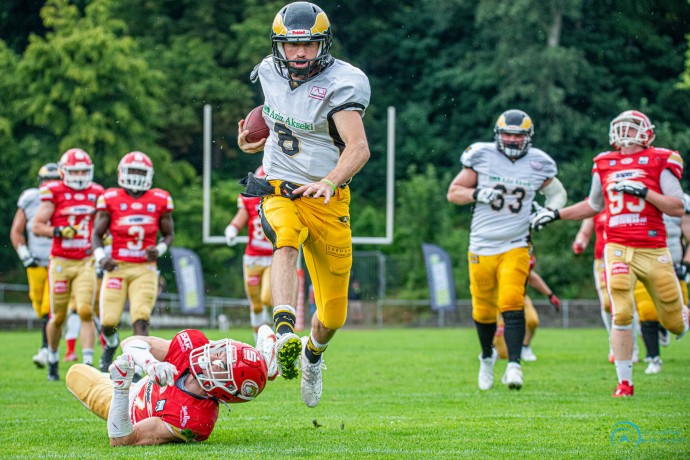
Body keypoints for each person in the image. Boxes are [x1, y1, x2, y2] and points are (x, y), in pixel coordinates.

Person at [236, 1, 371, 408]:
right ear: (278, 45)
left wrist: (330, 181)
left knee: (333, 315)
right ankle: (282, 333)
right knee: (286, 238)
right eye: (291, 46)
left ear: (323, 44)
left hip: (328, 197)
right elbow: (272, 121)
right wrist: (249, 140)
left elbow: (359, 147)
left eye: (309, 45)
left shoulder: (343, 82)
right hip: (280, 186)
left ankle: (312, 355)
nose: (299, 54)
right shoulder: (267, 71)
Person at [531, 110, 689, 397]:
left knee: (673, 322)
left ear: (647, 134)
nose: (626, 135)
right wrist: (555, 214)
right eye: (622, 129)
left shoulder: (660, 159)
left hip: (653, 247)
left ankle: (682, 315)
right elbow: (593, 205)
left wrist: (644, 193)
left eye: (632, 129)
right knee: (621, 309)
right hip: (617, 246)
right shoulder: (604, 163)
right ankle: (624, 383)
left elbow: (677, 207)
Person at [447, 109, 567, 391]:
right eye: (508, 134)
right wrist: (477, 193)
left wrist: (550, 211)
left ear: (528, 137)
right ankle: (487, 357)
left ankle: (514, 365)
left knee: (513, 301)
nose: (512, 140)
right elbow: (454, 192)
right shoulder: (482, 155)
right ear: (498, 135)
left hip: (516, 242)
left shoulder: (539, 162)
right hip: (481, 243)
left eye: (518, 135)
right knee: (484, 309)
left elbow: (557, 193)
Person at [65, 327, 275, 446]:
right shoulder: (194, 344)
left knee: (76, 375)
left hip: (126, 409)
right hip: (142, 383)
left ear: (224, 387)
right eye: (220, 349)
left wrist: (121, 388)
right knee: (76, 371)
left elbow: (122, 440)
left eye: (220, 363)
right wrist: (150, 363)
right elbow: (130, 342)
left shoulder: (196, 419)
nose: (211, 354)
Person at [91, 151, 175, 373]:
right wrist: (101, 258)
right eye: (133, 171)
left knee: (141, 316)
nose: (136, 176)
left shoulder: (159, 199)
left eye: (141, 171)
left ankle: (139, 367)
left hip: (144, 269)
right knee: (108, 321)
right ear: (122, 173)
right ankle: (110, 344)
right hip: (117, 267)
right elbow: (96, 235)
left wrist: (158, 249)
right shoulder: (110, 198)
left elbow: (169, 234)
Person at [32, 149, 103, 380]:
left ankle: (89, 364)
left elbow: (103, 225)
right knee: (58, 316)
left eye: (84, 170)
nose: (81, 175)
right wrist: (59, 231)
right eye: (76, 171)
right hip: (61, 261)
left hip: (85, 260)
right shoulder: (54, 192)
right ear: (65, 172)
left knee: (85, 310)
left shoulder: (96, 193)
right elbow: (37, 226)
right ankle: (52, 357)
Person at [10, 162, 62, 368]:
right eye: (47, 180)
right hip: (35, 261)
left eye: (55, 181)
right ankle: (49, 343)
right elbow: (16, 230)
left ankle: (46, 350)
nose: (50, 185)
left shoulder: (66, 200)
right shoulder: (30, 198)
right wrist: (24, 255)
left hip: (57, 261)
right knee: (38, 304)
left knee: (50, 307)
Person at [572, 211, 640, 364]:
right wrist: (580, 243)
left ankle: (632, 348)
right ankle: (615, 344)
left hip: (626, 257)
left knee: (627, 302)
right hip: (602, 261)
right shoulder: (595, 204)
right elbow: (584, 232)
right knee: (607, 303)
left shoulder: (625, 200)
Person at [224, 165, 274, 344]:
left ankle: (270, 330)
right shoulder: (249, 201)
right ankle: (258, 343)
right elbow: (241, 217)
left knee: (267, 299)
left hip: (273, 258)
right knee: (256, 303)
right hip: (253, 258)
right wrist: (232, 229)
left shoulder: (279, 203)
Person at [494, 256, 561, 362]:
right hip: (499, 297)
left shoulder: (524, 250)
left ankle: (525, 347)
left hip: (520, 296)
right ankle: (490, 348)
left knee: (532, 320)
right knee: (504, 354)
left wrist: (550, 295)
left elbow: (530, 276)